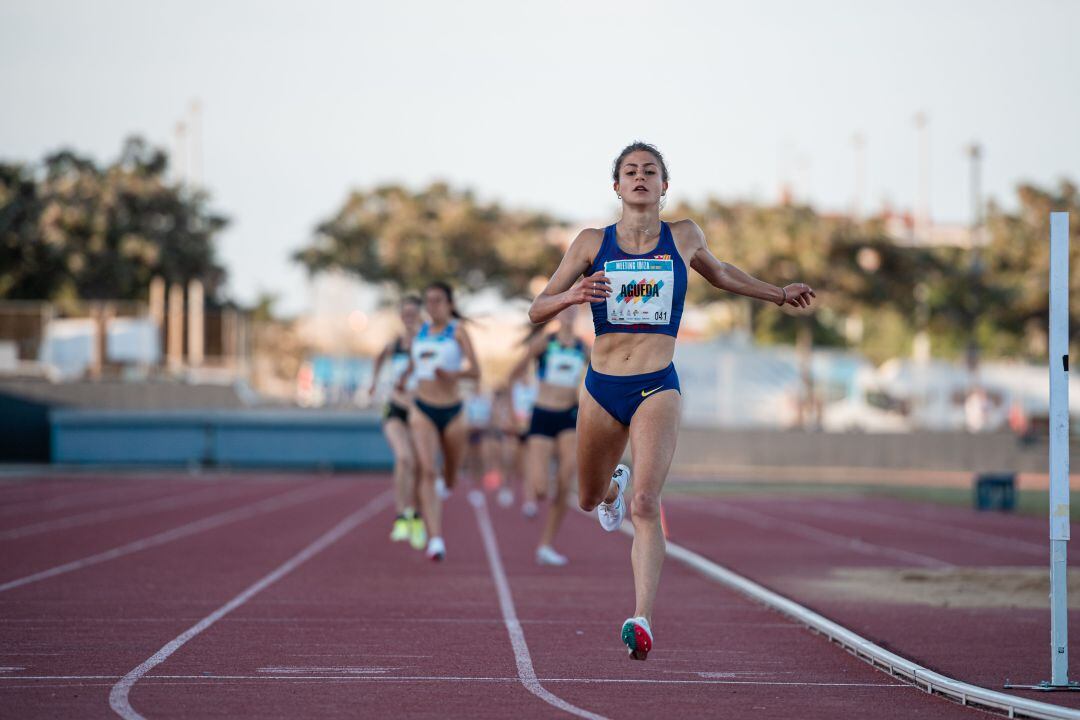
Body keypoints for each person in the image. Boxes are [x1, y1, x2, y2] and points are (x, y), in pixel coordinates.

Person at [527, 142, 816, 660]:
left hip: (657, 384)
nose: (640, 178)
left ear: (665, 185)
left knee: (647, 502)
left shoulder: (683, 236)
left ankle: (641, 618)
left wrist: (777, 293)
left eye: (650, 171)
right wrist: (571, 295)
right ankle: (609, 489)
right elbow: (536, 308)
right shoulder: (592, 242)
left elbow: (723, 274)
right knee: (588, 499)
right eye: (631, 172)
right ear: (616, 186)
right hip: (600, 387)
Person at [399, 282, 481, 561]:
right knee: (427, 470)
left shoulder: (457, 331)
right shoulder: (418, 333)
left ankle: (448, 480)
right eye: (429, 301)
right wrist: (402, 377)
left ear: (449, 304)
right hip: (422, 409)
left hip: (453, 411)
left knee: (450, 475)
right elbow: (415, 362)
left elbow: (475, 370)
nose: (432, 306)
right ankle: (435, 539)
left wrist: (453, 375)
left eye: (438, 301)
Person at [509, 305, 589, 566]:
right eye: (564, 309)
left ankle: (546, 544)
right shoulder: (545, 342)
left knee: (567, 478)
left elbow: (602, 373)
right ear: (558, 313)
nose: (569, 313)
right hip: (542, 414)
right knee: (542, 489)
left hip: (568, 415)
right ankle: (544, 484)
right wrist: (514, 413)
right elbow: (514, 373)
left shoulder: (583, 347)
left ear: (579, 314)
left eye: (573, 309)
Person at [368, 295, 426, 550]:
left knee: (419, 466)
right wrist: (374, 382)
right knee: (403, 458)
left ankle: (415, 515)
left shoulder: (427, 341)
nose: (409, 317)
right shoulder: (395, 344)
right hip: (395, 408)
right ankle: (402, 514)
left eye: (414, 312)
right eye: (406, 313)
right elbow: (379, 357)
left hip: (421, 411)